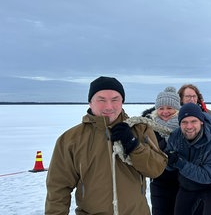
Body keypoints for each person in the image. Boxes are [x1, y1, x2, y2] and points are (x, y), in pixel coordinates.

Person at [45, 76, 167, 215]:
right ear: (90, 102)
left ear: (122, 102)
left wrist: (133, 145)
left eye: (115, 99)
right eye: (101, 100)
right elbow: (58, 188)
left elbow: (156, 170)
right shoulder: (71, 139)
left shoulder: (140, 130)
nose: (109, 106)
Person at [166, 103, 211, 215]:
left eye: (193, 121)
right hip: (188, 182)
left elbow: (208, 176)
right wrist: (169, 162)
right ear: (179, 124)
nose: (189, 126)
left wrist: (180, 163)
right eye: (184, 122)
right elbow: (169, 166)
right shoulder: (175, 137)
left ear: (201, 121)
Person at [146, 86, 181, 215]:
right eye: (161, 108)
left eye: (169, 108)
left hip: (182, 181)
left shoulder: (186, 125)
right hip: (159, 182)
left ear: (177, 109)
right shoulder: (149, 127)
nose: (165, 112)